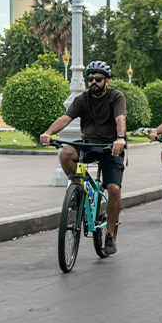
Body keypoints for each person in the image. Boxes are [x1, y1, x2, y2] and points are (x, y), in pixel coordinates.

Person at [40, 61, 127, 255]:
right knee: (65, 154)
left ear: (107, 80)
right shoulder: (82, 99)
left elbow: (120, 118)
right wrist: (48, 132)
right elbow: (65, 118)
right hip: (89, 143)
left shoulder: (116, 97)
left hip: (111, 146)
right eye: (90, 79)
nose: (93, 82)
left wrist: (120, 138)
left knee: (113, 188)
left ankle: (110, 234)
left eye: (98, 79)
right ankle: (80, 188)